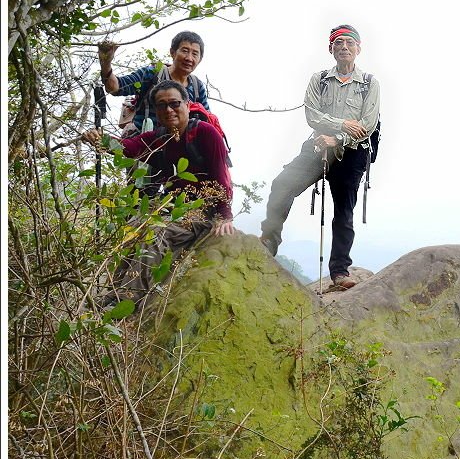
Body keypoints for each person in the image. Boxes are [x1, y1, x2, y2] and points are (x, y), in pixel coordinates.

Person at [83, 80, 235, 308]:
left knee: (156, 233)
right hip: (175, 207)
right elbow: (128, 147)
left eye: (174, 103)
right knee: (136, 227)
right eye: (162, 106)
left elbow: (221, 176)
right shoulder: (159, 137)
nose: (169, 110)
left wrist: (224, 215)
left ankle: (127, 302)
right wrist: (101, 140)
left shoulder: (205, 133)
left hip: (203, 211)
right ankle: (113, 294)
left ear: (186, 104)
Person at [259, 24, 380, 291]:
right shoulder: (320, 79)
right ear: (331, 49)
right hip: (317, 146)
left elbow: (367, 124)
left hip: (352, 153)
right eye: (339, 43)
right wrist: (342, 124)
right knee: (283, 184)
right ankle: (269, 241)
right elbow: (311, 114)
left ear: (359, 48)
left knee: (343, 211)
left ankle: (340, 271)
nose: (344, 47)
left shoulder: (369, 83)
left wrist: (337, 137)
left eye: (349, 43)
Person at [98, 31, 210, 134]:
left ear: (200, 59)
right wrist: (106, 64)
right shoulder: (153, 73)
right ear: (172, 52)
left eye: (195, 54)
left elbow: (207, 120)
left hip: (179, 149)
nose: (189, 58)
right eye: (185, 51)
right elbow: (115, 87)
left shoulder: (197, 86)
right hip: (143, 146)